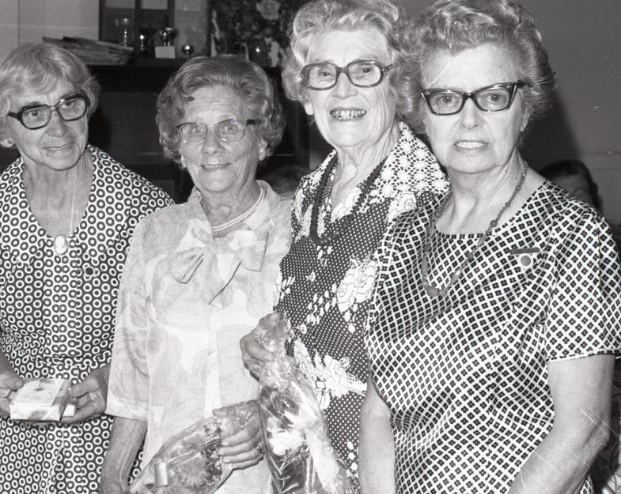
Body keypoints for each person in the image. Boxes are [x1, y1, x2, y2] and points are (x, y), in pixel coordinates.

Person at [359, 1, 621, 492]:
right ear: (422, 112)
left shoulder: (572, 234)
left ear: (526, 108)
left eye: (493, 96)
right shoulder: (403, 234)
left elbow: (583, 429)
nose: (469, 119)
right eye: (447, 98)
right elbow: (379, 409)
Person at [0, 43, 173, 494]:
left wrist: (111, 378)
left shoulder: (146, 209)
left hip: (118, 426)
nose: (59, 127)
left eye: (69, 104)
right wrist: (1, 376)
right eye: (34, 112)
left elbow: (167, 335)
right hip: (17, 439)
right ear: (4, 130)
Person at [238, 0, 448, 485]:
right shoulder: (311, 193)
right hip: (314, 469)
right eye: (324, 74)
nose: (343, 89)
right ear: (306, 95)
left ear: (398, 86)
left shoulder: (428, 197)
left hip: (396, 472)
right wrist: (273, 344)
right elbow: (317, 315)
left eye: (365, 70)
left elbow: (432, 381)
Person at [101, 55, 291, 494]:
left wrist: (268, 419)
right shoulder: (152, 234)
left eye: (229, 126)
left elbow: (324, 372)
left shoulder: (297, 232)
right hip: (167, 482)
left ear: (261, 140)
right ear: (176, 146)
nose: (210, 146)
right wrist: (113, 476)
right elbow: (132, 375)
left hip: (265, 481)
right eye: (192, 129)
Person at [540, 159, 621, 257]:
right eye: (562, 200)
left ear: (592, 195)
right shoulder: (545, 254)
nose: (573, 206)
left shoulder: (614, 244)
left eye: (578, 195)